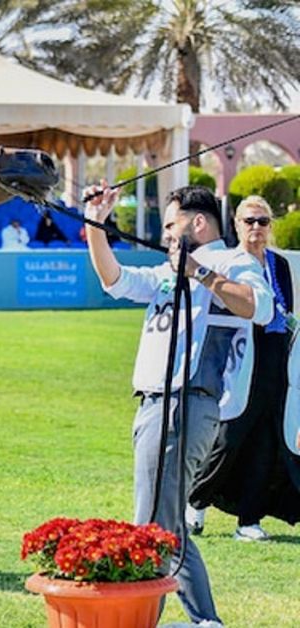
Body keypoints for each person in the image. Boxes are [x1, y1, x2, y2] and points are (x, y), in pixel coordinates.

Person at [83, 183, 272, 627]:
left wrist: (199, 273)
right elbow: (117, 281)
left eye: (172, 225)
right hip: (158, 403)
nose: (167, 234)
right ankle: (194, 619)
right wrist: (96, 224)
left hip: (185, 404)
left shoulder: (233, 261)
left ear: (199, 223)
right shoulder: (173, 267)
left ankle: (193, 619)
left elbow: (259, 309)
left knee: (156, 526)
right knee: (161, 524)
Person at [188, 196, 300, 541]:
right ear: (236, 224)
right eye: (249, 221)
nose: (256, 228)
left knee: (268, 440)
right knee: (230, 436)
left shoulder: (279, 264)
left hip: (276, 358)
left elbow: (286, 309)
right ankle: (195, 501)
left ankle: (249, 519)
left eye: (262, 221)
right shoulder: (231, 262)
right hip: (242, 357)